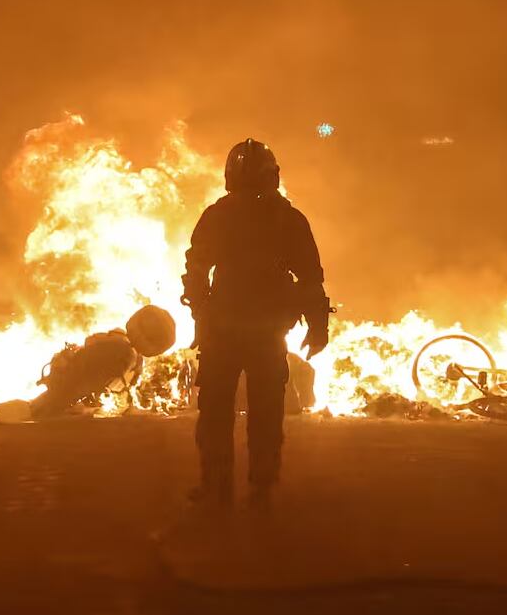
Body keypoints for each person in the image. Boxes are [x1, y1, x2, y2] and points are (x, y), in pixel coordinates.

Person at [181, 138, 331, 511]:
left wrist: (202, 311)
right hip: (261, 332)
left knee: (217, 410)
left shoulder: (219, 215)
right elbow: (311, 279)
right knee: (264, 412)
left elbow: (196, 270)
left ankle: (218, 483)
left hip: (228, 331)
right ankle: (260, 484)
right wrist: (317, 326)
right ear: (272, 176)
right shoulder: (287, 219)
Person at [30, 305, 176, 418]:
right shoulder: (122, 353)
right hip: (59, 406)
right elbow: (80, 383)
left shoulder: (123, 348)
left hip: (62, 402)